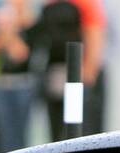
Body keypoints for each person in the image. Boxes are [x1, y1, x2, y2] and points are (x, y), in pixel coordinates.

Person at [29, 0, 110, 139]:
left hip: (78, 75)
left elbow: (94, 33)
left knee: (82, 131)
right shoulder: (49, 4)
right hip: (56, 73)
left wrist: (87, 71)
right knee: (58, 128)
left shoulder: (85, 3)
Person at [0, 0, 37, 153]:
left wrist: (10, 29)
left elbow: (20, 54)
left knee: (19, 132)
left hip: (22, 84)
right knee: (1, 132)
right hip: (0, 83)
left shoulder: (31, 25)